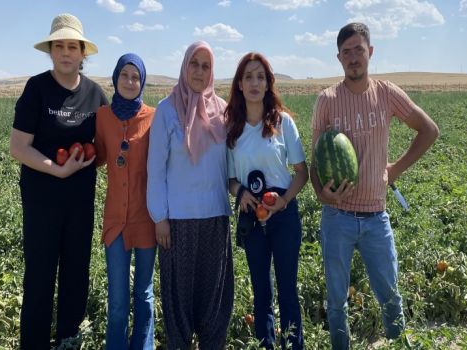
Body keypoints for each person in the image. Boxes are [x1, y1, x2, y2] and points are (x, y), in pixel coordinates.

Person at [310, 23, 439, 349]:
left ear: (370, 52)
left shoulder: (386, 93)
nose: (353, 57)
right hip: (336, 218)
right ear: (338, 58)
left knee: (390, 295)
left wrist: (395, 168)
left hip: (375, 217)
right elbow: (314, 163)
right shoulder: (326, 101)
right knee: (336, 301)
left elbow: (429, 130)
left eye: (359, 49)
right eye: (346, 52)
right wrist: (320, 192)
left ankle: (397, 343)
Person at [9, 13, 108, 349]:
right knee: (39, 274)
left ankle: (68, 339)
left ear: (83, 54)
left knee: (76, 272)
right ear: (51, 51)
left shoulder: (95, 95)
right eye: (60, 46)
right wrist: (57, 168)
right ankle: (34, 343)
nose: (66, 53)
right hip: (42, 200)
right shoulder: (37, 89)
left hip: (80, 201)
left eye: (72, 46)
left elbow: (108, 144)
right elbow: (18, 147)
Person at [146, 41, 233, 349]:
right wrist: (160, 217)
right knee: (178, 303)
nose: (199, 71)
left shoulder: (222, 110)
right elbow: (155, 170)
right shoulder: (167, 111)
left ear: (212, 71)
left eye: (205, 65)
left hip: (215, 218)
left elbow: (233, 164)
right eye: (194, 64)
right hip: (178, 222)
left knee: (214, 300)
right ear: (184, 67)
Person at [225, 52, 308, 349]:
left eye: (260, 76)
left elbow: (301, 172)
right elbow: (231, 180)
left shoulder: (283, 122)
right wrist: (241, 193)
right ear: (239, 85)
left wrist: (284, 201)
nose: (254, 82)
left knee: (287, 288)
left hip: (283, 216)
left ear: (268, 83)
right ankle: (266, 344)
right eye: (248, 77)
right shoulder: (232, 128)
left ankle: (294, 344)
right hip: (252, 216)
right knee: (261, 290)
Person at [95, 53, 156, 349]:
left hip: (146, 221)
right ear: (115, 77)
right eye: (125, 75)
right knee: (117, 298)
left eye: (136, 76)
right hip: (115, 222)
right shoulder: (103, 117)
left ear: (142, 81)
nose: (130, 81)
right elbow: (95, 156)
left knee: (144, 293)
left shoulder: (153, 117)